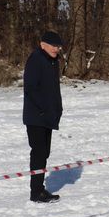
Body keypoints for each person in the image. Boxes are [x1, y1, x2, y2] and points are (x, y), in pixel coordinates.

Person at [23, 30, 64, 203]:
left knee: (44, 152)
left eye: (59, 46)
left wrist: (57, 109)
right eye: (54, 46)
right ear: (43, 45)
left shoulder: (52, 62)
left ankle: (39, 188)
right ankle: (36, 192)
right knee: (39, 152)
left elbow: (52, 90)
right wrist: (43, 109)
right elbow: (31, 88)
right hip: (36, 116)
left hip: (48, 115)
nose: (57, 49)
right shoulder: (36, 60)